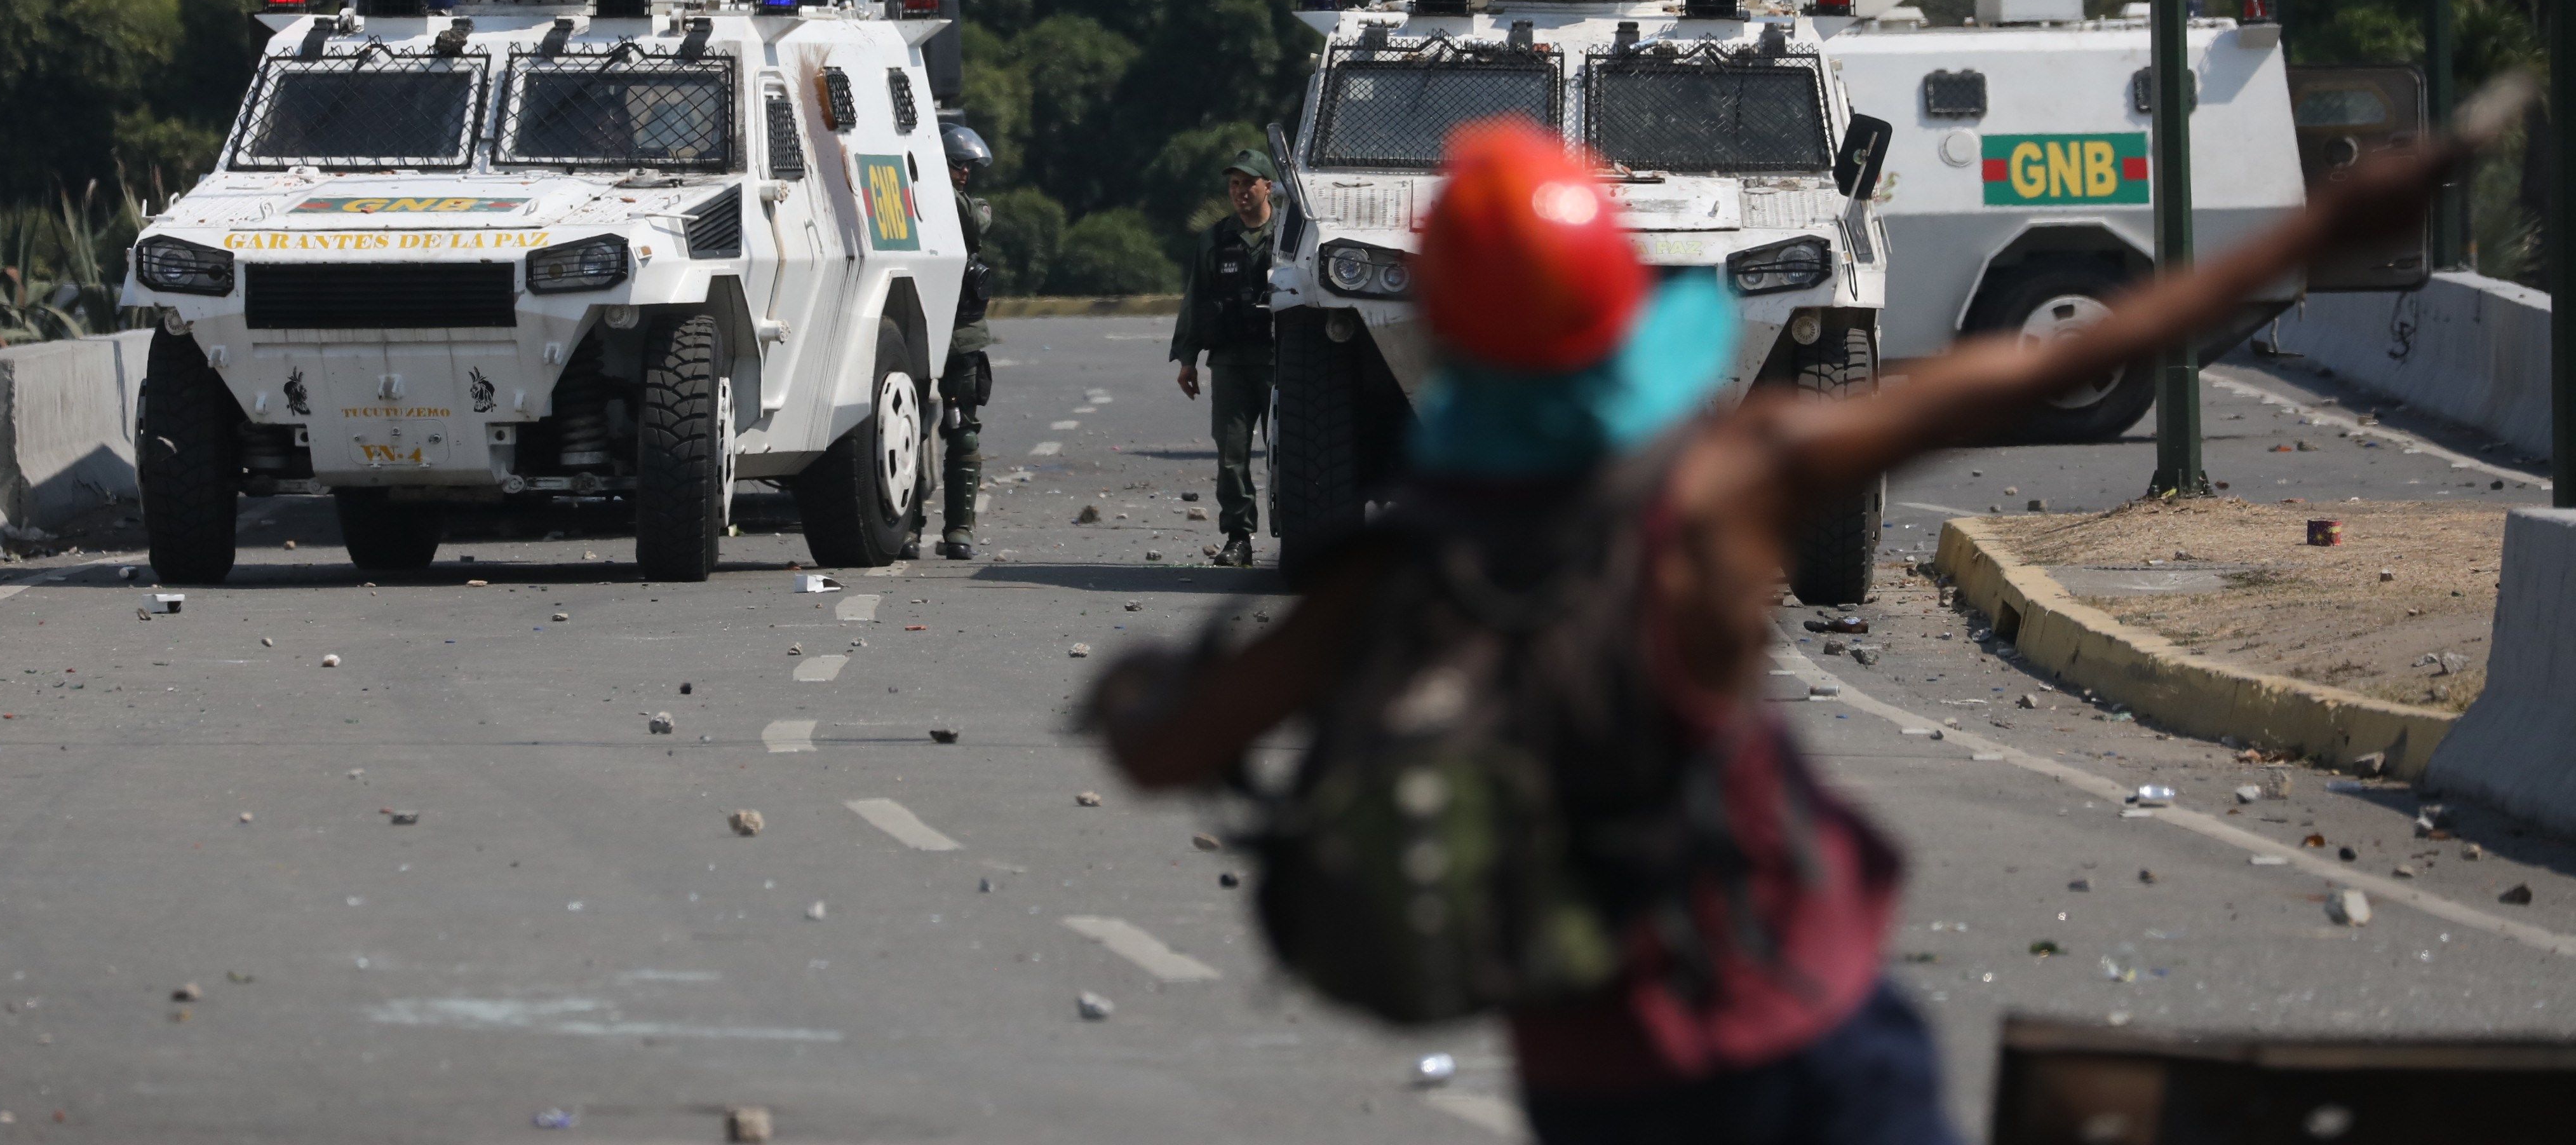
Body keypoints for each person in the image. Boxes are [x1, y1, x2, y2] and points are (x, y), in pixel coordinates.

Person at [1090, 93, 2505, 1145]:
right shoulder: (1718, 499)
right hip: (1805, 1053)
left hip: (1596, 1091)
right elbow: (2045, 368)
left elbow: (1164, 746)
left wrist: (1147, 692)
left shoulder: (1386, 591)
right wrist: (2326, 225)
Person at [1170, 148, 1281, 567]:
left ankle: (1299, 535)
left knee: (1288, 454)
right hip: (1231, 362)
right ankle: (1239, 538)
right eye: (1234, 184)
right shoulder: (1215, 239)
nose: (1240, 192)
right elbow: (1196, 298)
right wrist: (1187, 358)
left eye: (1248, 183)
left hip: (1281, 363)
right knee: (1231, 455)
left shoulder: (1291, 235)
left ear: (1268, 186)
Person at [930, 123, 997, 562]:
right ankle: (943, 531)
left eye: (969, 168)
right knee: (947, 434)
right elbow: (975, 220)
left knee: (957, 431)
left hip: (954, 334)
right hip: (943, 334)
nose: (965, 175)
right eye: (958, 167)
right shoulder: (941, 197)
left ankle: (953, 531)